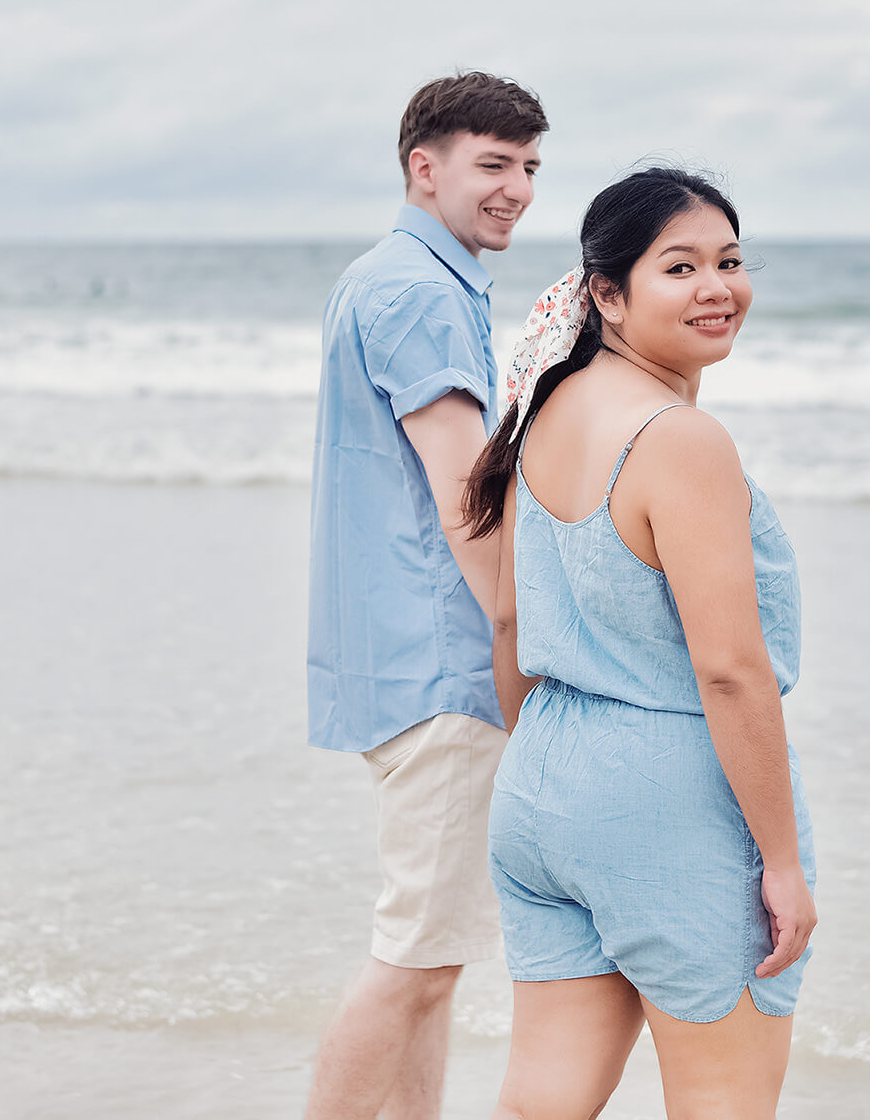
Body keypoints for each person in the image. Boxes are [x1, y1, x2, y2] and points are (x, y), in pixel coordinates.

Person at [460, 168, 818, 1120]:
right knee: (724, 1103)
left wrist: (558, 772)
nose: (717, 287)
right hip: (672, 795)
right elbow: (731, 673)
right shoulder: (679, 438)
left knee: (541, 1102)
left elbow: (507, 620)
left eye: (731, 262)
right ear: (607, 295)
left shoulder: (543, 411)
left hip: (543, 786)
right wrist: (779, 862)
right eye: (681, 266)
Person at [303, 72, 548, 1120]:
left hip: (398, 656)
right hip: (443, 664)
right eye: (492, 164)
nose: (516, 190)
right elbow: (466, 506)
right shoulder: (415, 292)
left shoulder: (392, 276)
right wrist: (522, 653)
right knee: (411, 958)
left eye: (530, 167)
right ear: (424, 166)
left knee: (431, 958)